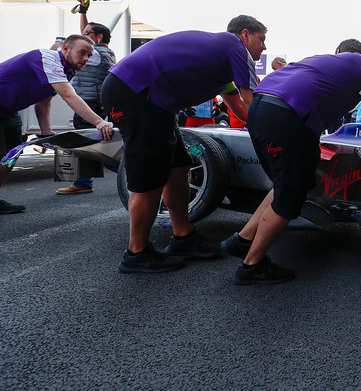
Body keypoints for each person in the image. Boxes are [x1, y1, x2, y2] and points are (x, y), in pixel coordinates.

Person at [221, 39, 361, 284]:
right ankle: (251, 266)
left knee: (284, 184)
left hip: (260, 108)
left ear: (338, 52)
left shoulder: (317, 61)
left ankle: (242, 240)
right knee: (290, 195)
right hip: (287, 116)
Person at [100, 14, 266, 273]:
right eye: (261, 39)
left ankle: (183, 237)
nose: (264, 47)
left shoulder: (222, 64)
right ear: (246, 34)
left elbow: (242, 110)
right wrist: (278, 131)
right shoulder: (235, 47)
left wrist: (262, 127)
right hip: (136, 92)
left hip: (152, 99)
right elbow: (253, 101)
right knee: (150, 179)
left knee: (179, 167)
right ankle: (137, 253)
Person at [0, 35, 114, 214]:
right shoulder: (47, 58)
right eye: (82, 53)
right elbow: (69, 95)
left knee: (10, 157)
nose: (85, 59)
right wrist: (99, 122)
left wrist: (46, 132)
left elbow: (44, 101)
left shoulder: (67, 70)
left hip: (9, 111)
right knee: (1, 155)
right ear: (66, 49)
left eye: (89, 56)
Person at [54, 2, 117, 194]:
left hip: (88, 103)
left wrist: (60, 41)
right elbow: (84, 32)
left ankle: (85, 183)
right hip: (95, 102)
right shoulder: (106, 52)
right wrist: (83, 12)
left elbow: (76, 41)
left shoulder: (95, 53)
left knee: (86, 143)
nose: (83, 35)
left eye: (88, 33)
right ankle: (84, 182)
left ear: (98, 37)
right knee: (90, 142)